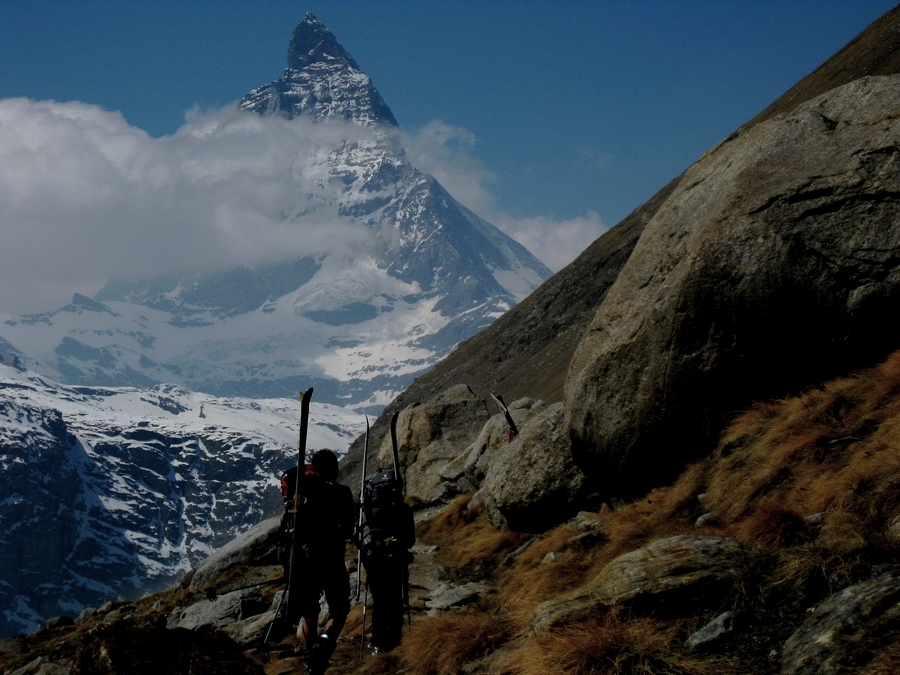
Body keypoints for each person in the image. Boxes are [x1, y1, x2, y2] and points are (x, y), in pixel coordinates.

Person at [281, 449, 355, 675]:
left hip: (301, 561)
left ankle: (311, 660)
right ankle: (323, 644)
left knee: (309, 611)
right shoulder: (341, 493)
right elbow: (349, 530)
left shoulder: (299, 493)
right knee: (339, 609)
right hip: (331, 560)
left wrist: (286, 565)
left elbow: (286, 530)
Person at [359, 467, 416, 653]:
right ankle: (394, 641)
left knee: (380, 600)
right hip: (396, 559)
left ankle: (378, 642)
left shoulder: (367, 508)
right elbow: (410, 540)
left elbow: (358, 534)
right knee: (396, 600)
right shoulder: (403, 509)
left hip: (373, 559)